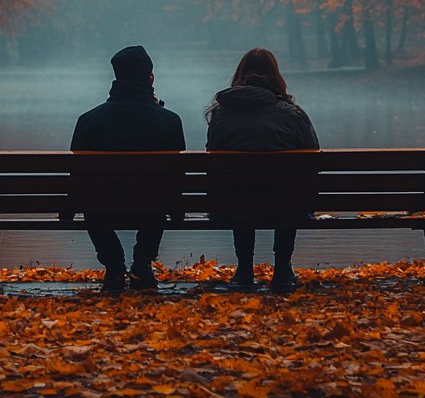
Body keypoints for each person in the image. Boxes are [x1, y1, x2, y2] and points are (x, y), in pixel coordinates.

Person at [71, 45, 185, 292]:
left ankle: (114, 266)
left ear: (116, 78)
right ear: (150, 78)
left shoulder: (89, 121)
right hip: (151, 209)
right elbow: (176, 179)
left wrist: (68, 211)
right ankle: (142, 265)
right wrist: (177, 211)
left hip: (102, 210)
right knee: (157, 197)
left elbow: (77, 180)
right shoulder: (169, 121)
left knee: (93, 202)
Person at [205, 47, 320, 293]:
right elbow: (312, 159)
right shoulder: (292, 114)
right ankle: (282, 269)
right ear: (276, 75)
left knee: (238, 189)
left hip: (232, 204)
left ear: (240, 74)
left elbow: (212, 159)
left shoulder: (221, 113)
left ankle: (244, 269)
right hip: (286, 204)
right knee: (288, 191)